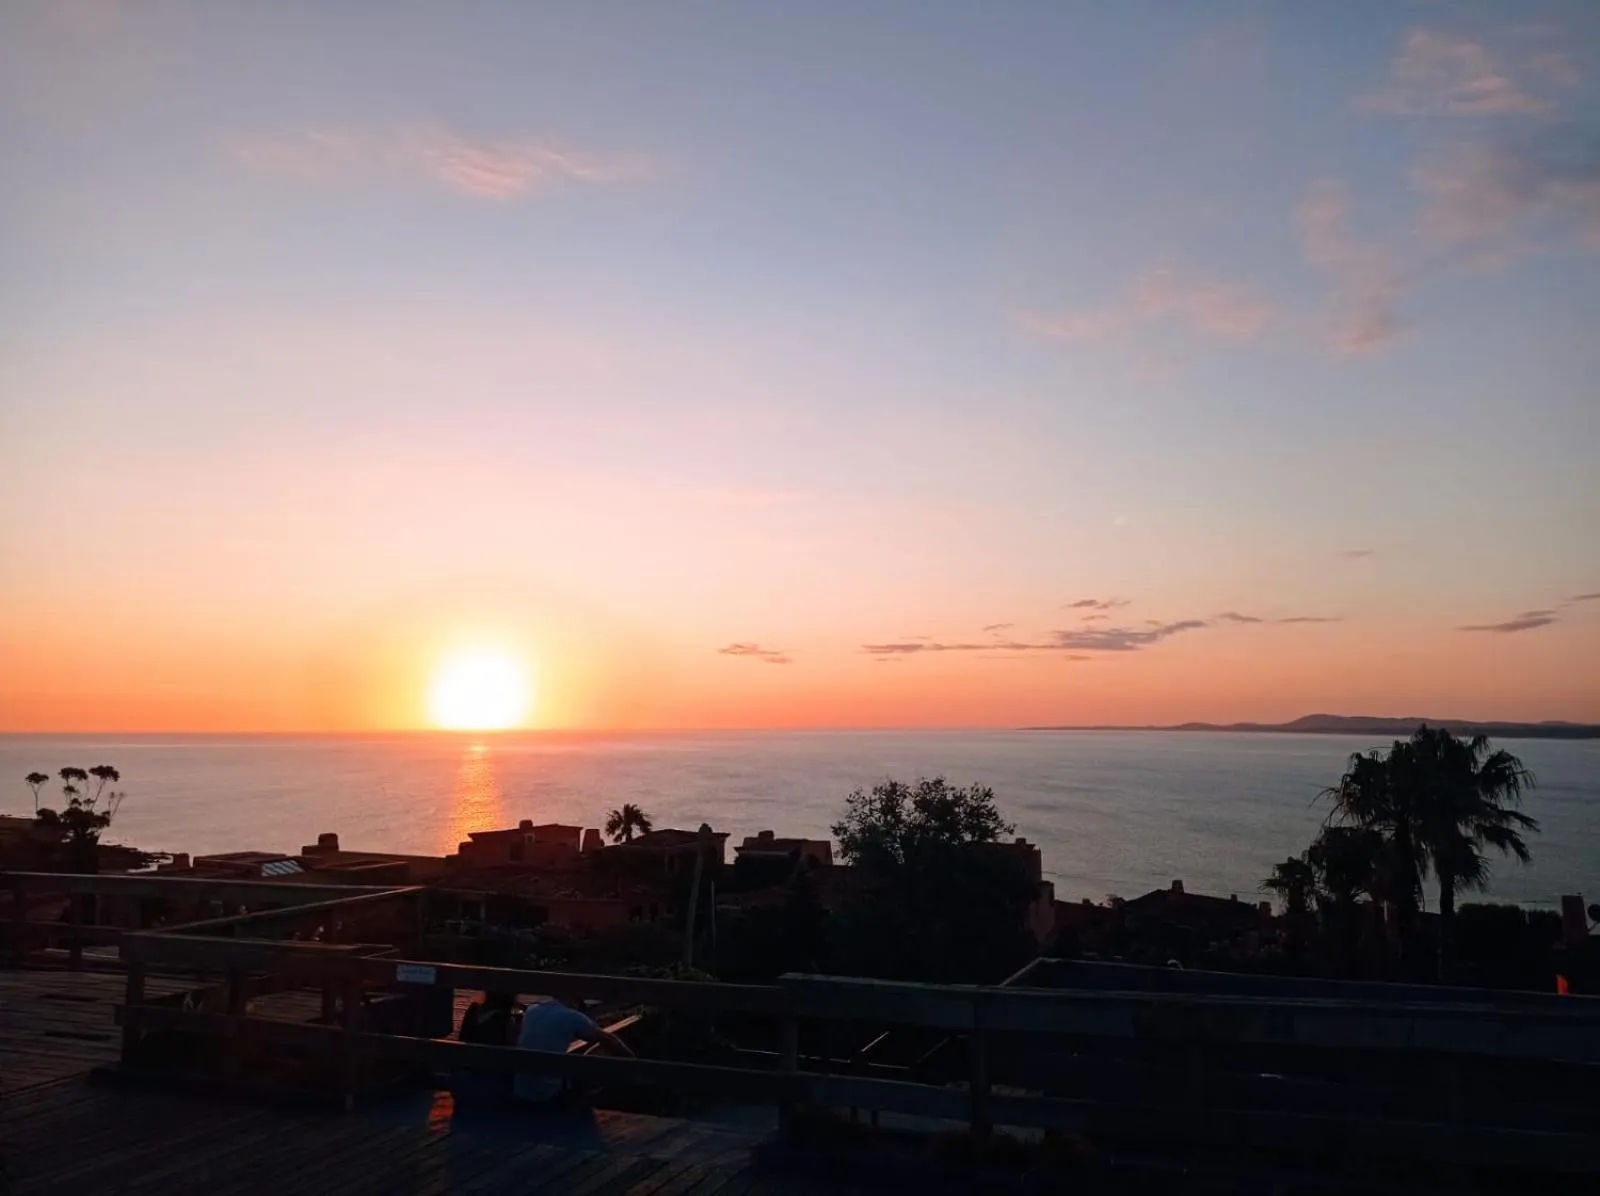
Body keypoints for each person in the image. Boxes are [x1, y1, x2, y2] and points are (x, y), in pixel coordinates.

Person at [513, 996, 633, 1105]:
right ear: (574, 1001)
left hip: (521, 1090)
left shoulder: (532, 1011)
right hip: (549, 1093)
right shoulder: (572, 1016)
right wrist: (632, 1062)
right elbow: (608, 1040)